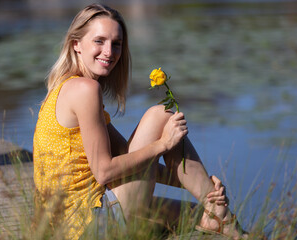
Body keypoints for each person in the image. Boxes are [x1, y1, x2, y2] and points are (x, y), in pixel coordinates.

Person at [33, 3, 248, 240]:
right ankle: (224, 217)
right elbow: (105, 172)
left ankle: (216, 210)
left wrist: (207, 190)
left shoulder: (67, 87)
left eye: (116, 44)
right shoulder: (85, 89)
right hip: (88, 224)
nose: (109, 51)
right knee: (162, 115)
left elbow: (133, 163)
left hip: (65, 224)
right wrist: (162, 145)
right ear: (76, 44)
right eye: (99, 41)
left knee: (197, 213)